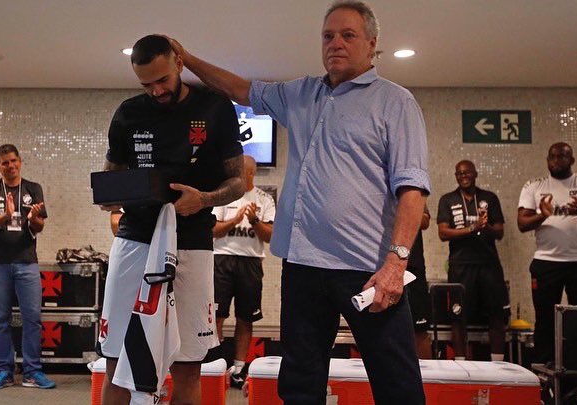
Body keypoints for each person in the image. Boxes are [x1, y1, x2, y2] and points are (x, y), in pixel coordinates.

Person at [168, 0, 430, 402]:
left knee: (397, 383)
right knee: (300, 383)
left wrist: (396, 264)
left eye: (348, 35)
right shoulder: (301, 94)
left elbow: (412, 189)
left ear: (372, 43)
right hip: (303, 265)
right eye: (328, 36)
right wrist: (186, 59)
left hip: (368, 269)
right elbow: (241, 89)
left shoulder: (395, 102)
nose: (335, 43)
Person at [97, 35, 244, 405]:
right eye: (146, 84)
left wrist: (204, 199)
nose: (156, 91)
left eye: (162, 80)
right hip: (136, 237)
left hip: (192, 240)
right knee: (115, 360)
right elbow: (110, 179)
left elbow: (238, 182)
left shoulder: (215, 107)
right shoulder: (128, 113)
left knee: (188, 364)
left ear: (179, 64)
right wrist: (113, 195)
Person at [517, 142, 577, 364]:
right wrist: (543, 215)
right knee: (545, 318)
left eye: (562, 156)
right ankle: (544, 368)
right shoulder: (534, 186)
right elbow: (522, 223)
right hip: (546, 262)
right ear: (547, 160)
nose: (556, 161)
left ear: (572, 160)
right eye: (552, 157)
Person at [0, 144, 54, 390]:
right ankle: (4, 372)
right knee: (0, 320)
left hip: (26, 262)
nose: (10, 166)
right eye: (4, 163)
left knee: (32, 318)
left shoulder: (33, 188)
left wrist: (33, 218)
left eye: (13, 161)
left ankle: (32, 371)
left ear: (20, 161)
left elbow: (39, 227)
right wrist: (4, 216)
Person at [211, 155, 275, 388]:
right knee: (217, 315)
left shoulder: (264, 199)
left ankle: (238, 369)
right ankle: (216, 365)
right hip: (222, 259)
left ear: (251, 173)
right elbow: (213, 230)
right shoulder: (223, 195)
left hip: (251, 263)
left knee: (245, 318)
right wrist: (235, 220)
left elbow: (270, 236)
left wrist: (254, 220)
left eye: (242, 171)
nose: (237, 174)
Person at [437, 160, 509, 361]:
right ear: (456, 176)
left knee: (496, 315)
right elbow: (443, 233)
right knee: (458, 315)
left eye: (467, 172)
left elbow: (500, 232)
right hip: (460, 266)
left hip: (488, 264)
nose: (463, 176)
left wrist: (485, 227)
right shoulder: (448, 199)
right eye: (459, 173)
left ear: (475, 174)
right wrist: (472, 228)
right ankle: (460, 363)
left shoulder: (489, 198)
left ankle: (498, 364)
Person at [406, 204, 432, 359]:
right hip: (382, 268)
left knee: (420, 329)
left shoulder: (412, 192)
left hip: (413, 269)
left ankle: (425, 373)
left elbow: (425, 221)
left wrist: (401, 211)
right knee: (378, 328)